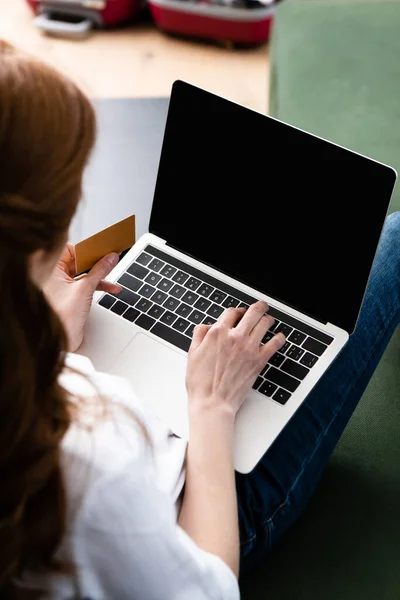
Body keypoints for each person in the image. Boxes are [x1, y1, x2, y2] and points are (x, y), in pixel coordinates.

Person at [0, 40, 399, 600]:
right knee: (396, 238)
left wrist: (58, 352)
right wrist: (212, 406)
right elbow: (208, 588)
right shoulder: (92, 463)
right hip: (206, 509)